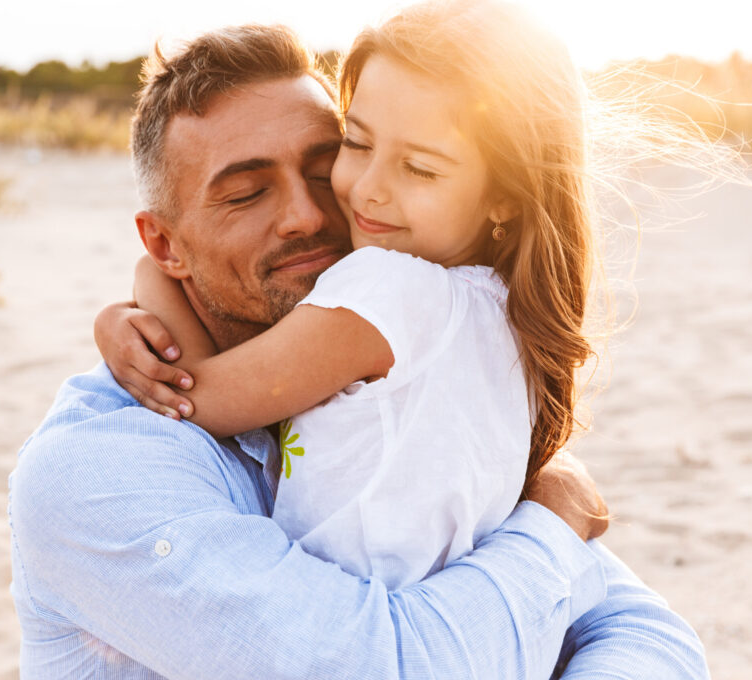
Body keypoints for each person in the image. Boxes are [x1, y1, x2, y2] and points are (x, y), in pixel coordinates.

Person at [9, 20, 710, 680]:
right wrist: (553, 526)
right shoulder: (96, 471)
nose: (312, 215)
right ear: (165, 246)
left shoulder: (408, 370)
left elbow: (649, 637)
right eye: (247, 194)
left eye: (323, 166)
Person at [97, 0, 601, 592]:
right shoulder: (504, 311)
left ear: (506, 195)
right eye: (357, 144)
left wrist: (148, 283)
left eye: (419, 168)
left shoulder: (387, 290)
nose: (366, 189)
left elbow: (194, 398)